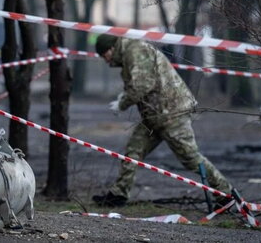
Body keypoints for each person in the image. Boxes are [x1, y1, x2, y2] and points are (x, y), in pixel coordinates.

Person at [92, 34, 232, 207]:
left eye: (104, 55)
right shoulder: (130, 53)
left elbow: (143, 85)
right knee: (132, 151)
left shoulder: (135, 50)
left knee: (191, 158)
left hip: (172, 113)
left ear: (111, 49)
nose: (106, 61)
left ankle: (226, 194)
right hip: (154, 116)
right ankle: (119, 194)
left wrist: (123, 102)